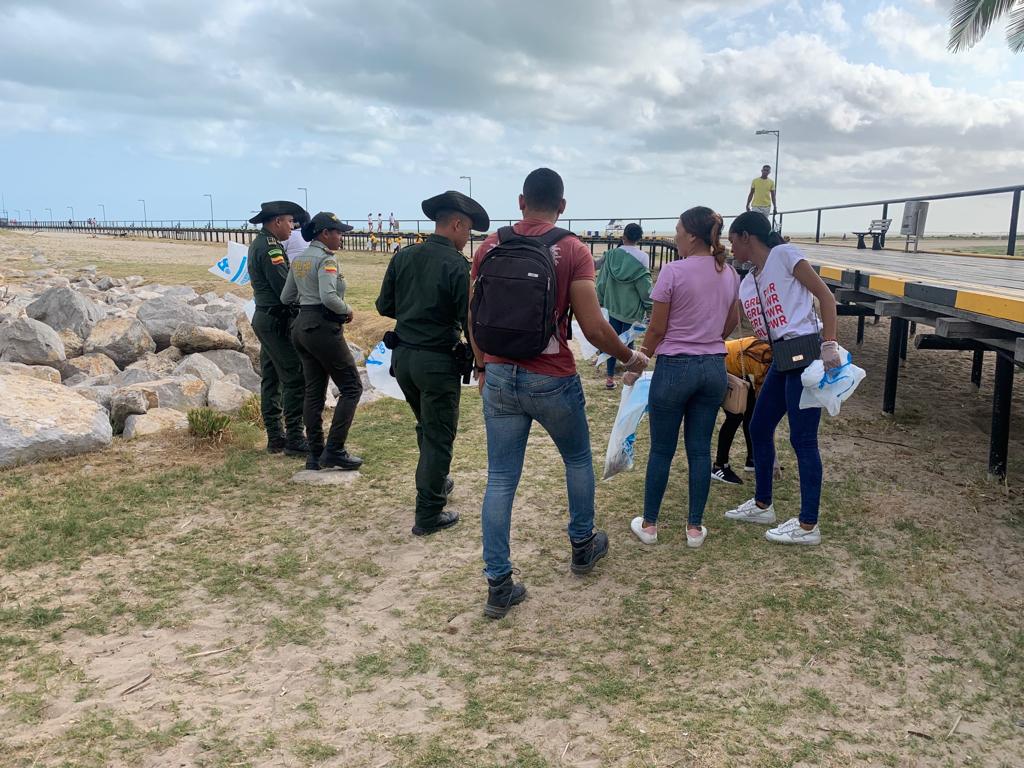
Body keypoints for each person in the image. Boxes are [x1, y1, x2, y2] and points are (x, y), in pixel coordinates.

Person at [469, 167, 649, 619]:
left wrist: (482, 365)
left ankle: (498, 583)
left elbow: (473, 316)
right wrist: (629, 358)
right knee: (576, 459)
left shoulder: (490, 245)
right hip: (550, 375)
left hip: (499, 375)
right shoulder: (572, 249)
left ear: (520, 201)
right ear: (563, 206)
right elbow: (592, 325)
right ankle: (583, 545)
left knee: (500, 478)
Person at [376, 190, 489, 536]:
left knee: (427, 425)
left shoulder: (404, 256)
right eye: (467, 231)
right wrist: (482, 363)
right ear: (456, 224)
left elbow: (385, 306)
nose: (467, 238)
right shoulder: (457, 266)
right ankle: (428, 514)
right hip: (437, 361)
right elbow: (470, 321)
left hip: (404, 359)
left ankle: (435, 481)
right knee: (439, 436)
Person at [724, 211, 841, 545]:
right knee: (759, 426)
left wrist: (829, 344)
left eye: (733, 240)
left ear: (747, 236)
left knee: (803, 440)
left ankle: (808, 526)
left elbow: (826, 298)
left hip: (805, 353)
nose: (731, 248)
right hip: (782, 357)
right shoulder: (750, 280)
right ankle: (763, 504)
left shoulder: (786, 255)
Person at [627, 207, 740, 549]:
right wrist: (708, 337)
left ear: (691, 235)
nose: (674, 234)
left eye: (677, 229)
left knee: (662, 448)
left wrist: (638, 361)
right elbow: (731, 322)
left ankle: (649, 524)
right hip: (713, 367)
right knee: (699, 449)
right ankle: (694, 528)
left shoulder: (672, 272)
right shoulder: (730, 273)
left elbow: (657, 328)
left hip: (675, 367)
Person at [280, 212, 363, 471]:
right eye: (338, 232)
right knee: (351, 387)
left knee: (313, 392)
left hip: (302, 327)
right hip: (323, 327)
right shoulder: (326, 260)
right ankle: (335, 450)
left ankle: (315, 453)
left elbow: (286, 297)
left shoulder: (300, 259)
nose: (341, 237)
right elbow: (328, 297)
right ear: (324, 233)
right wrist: (347, 310)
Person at [247, 200, 310, 456]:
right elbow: (285, 289)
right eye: (289, 222)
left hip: (267, 318)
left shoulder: (262, 243)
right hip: (275, 321)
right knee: (295, 377)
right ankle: (294, 437)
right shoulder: (271, 248)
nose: (292, 227)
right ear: (276, 222)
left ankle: (275, 436)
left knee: (272, 378)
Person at [596, 222, 652, 389]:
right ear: (639, 239)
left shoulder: (611, 254)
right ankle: (630, 376)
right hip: (632, 309)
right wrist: (650, 307)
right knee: (628, 344)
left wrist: (600, 299)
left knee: (612, 342)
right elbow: (645, 285)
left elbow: (602, 280)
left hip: (612, 306)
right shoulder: (643, 257)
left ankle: (610, 378)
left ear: (623, 236)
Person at [711, 336, 772, 484]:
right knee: (735, 416)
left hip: (731, 363)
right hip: (721, 364)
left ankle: (752, 459)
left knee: (751, 414)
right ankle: (720, 466)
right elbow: (761, 395)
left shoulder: (769, 352)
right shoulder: (766, 359)